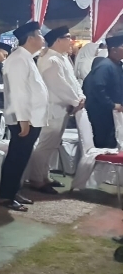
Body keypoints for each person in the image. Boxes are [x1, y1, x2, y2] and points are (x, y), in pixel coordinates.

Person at [0, 21, 48, 211]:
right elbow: (19, 92)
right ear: (31, 38)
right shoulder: (19, 59)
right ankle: (5, 196)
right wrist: (23, 119)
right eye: (40, 35)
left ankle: (13, 191)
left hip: (30, 117)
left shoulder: (26, 57)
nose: (43, 38)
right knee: (17, 157)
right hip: (24, 119)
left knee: (22, 157)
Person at [27, 27, 84, 194]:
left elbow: (73, 82)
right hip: (52, 108)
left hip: (62, 108)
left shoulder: (61, 58)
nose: (71, 41)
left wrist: (80, 97)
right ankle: (36, 179)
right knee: (45, 145)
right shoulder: (50, 60)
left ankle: (44, 176)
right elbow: (59, 86)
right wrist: (76, 100)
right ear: (58, 40)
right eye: (68, 37)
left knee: (52, 145)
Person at [82, 35, 123, 149]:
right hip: (102, 112)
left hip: (111, 112)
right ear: (114, 50)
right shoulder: (105, 66)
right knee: (105, 143)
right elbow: (97, 88)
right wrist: (112, 104)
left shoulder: (116, 65)